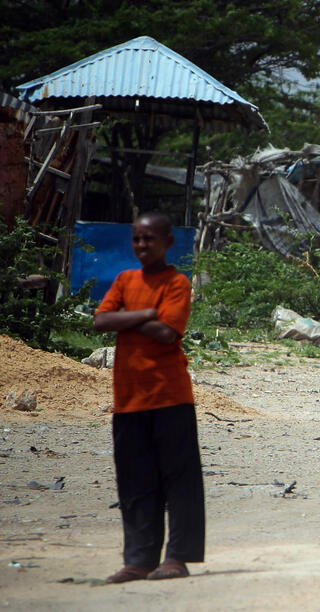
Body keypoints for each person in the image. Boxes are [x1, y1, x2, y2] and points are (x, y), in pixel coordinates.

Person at [92, 212, 204, 583]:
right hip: (128, 398)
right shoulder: (125, 280)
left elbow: (167, 332)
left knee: (179, 480)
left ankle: (177, 557)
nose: (142, 245)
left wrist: (126, 317)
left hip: (170, 396)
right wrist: (146, 314)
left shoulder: (177, 282)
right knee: (135, 481)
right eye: (137, 238)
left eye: (149, 238)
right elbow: (100, 321)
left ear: (167, 242)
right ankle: (139, 560)